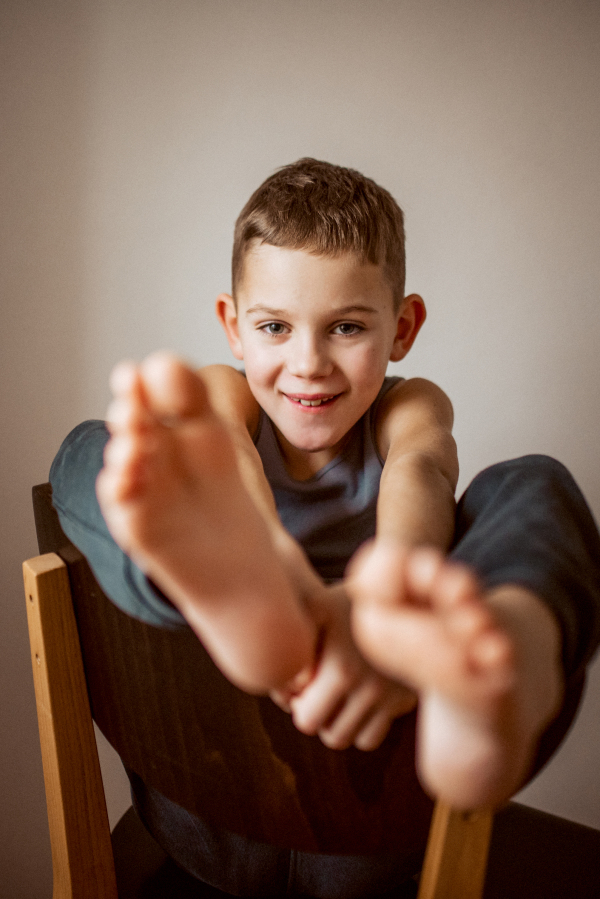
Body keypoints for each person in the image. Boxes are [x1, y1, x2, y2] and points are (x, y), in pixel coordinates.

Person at [50, 158, 600, 895]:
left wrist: (383, 601)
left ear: (402, 327)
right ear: (232, 325)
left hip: (367, 813)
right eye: (275, 326)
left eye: (346, 326)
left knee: (532, 482)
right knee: (105, 449)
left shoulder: (410, 409)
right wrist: (271, 559)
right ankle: (241, 590)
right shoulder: (223, 400)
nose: (308, 363)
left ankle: (500, 670)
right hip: (213, 795)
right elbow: (225, 441)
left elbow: (420, 471)